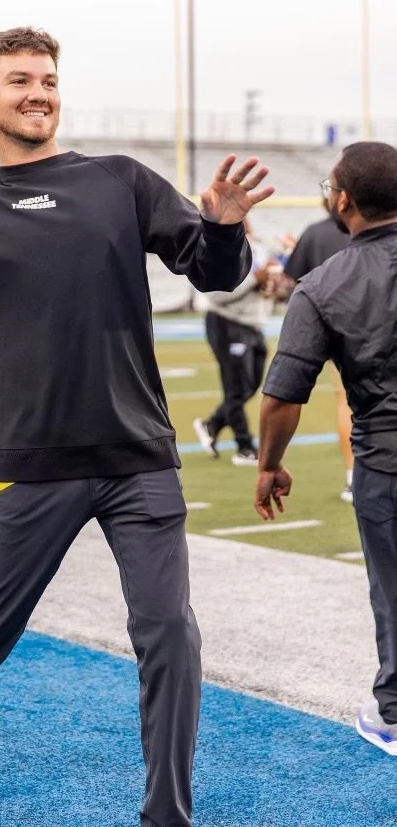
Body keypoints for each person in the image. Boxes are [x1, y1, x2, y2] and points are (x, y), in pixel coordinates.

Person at [0, 27, 274, 827]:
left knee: (169, 634)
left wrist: (228, 227)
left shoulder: (119, 182)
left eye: (50, 80)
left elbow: (214, 271)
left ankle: (167, 816)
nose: (39, 92)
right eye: (21, 80)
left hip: (138, 458)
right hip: (27, 465)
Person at [254, 141, 397, 758]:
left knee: (393, 589)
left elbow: (284, 398)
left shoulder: (324, 284)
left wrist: (267, 466)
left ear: (341, 200)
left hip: (388, 463)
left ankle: (393, 712)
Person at [282, 201, 353, 503]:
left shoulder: (314, 233)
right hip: (376, 329)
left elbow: (291, 284)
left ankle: (353, 476)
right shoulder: (377, 234)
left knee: (347, 402)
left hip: (331, 331)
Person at [192, 217, 276, 465]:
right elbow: (215, 294)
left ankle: (212, 424)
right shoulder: (220, 249)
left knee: (251, 384)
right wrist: (253, 281)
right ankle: (244, 446)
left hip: (252, 324)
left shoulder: (258, 246)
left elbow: (263, 286)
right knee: (236, 387)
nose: (246, 221)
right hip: (227, 322)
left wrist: (271, 286)